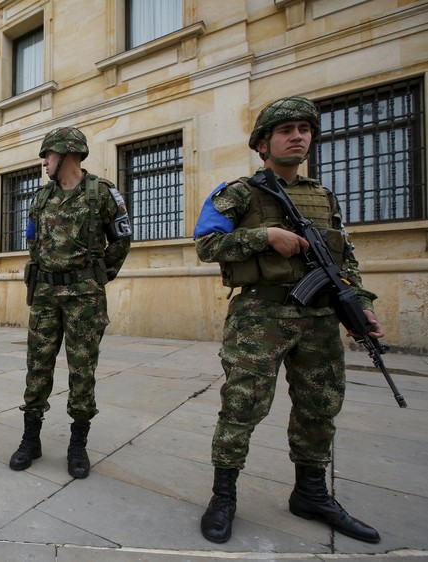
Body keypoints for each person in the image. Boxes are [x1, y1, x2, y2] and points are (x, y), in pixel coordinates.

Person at [193, 96, 383, 544]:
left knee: (319, 408)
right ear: (263, 144)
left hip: (319, 318)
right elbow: (205, 244)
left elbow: (345, 261)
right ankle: (223, 496)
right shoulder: (238, 192)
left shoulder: (322, 196)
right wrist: (265, 236)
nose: (298, 136)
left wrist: (361, 304)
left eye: (304, 129)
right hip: (261, 315)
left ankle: (312, 493)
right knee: (242, 406)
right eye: (286, 130)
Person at [9, 127, 131, 479]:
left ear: (66, 154)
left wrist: (96, 277)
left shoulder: (102, 193)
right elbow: (32, 242)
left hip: (84, 300)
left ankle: (77, 444)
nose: (44, 162)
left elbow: (121, 241)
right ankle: (31, 438)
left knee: (82, 370)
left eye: (47, 156)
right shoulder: (40, 198)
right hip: (46, 296)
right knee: (37, 367)